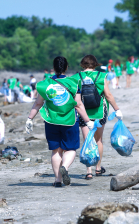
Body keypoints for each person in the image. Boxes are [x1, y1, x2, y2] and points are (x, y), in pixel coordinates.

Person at [25, 56, 94, 187]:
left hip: (51, 121)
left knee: (56, 151)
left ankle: (57, 181)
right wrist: (88, 121)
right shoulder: (73, 83)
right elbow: (78, 105)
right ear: (66, 67)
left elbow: (38, 104)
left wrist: (30, 119)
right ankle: (65, 167)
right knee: (71, 149)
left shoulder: (45, 84)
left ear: (54, 68)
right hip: (69, 120)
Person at [72, 55, 123, 179]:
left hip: (84, 114)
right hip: (100, 112)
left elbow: (73, 97)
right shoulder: (101, 76)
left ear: (82, 64)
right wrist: (117, 109)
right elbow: (109, 95)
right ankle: (98, 168)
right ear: (95, 64)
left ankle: (89, 171)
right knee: (98, 140)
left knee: (87, 140)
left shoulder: (75, 77)